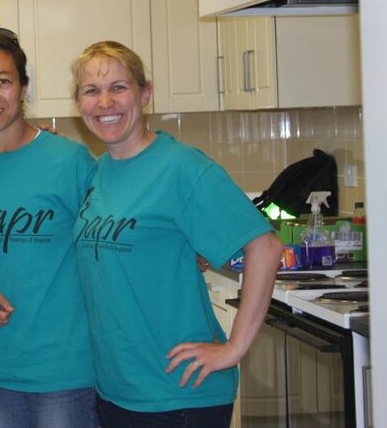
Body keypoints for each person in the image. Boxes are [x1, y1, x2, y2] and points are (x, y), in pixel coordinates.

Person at [69, 40, 284, 428]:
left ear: (145, 93)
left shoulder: (181, 167)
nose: (105, 102)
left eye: (119, 87)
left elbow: (265, 246)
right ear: (78, 102)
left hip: (178, 393)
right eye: (92, 90)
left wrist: (233, 348)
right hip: (118, 389)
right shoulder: (100, 172)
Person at [0, 28, 98, 428]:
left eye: (3, 81)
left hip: (67, 367)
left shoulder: (70, 160)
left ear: (23, 86)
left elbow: (113, 242)